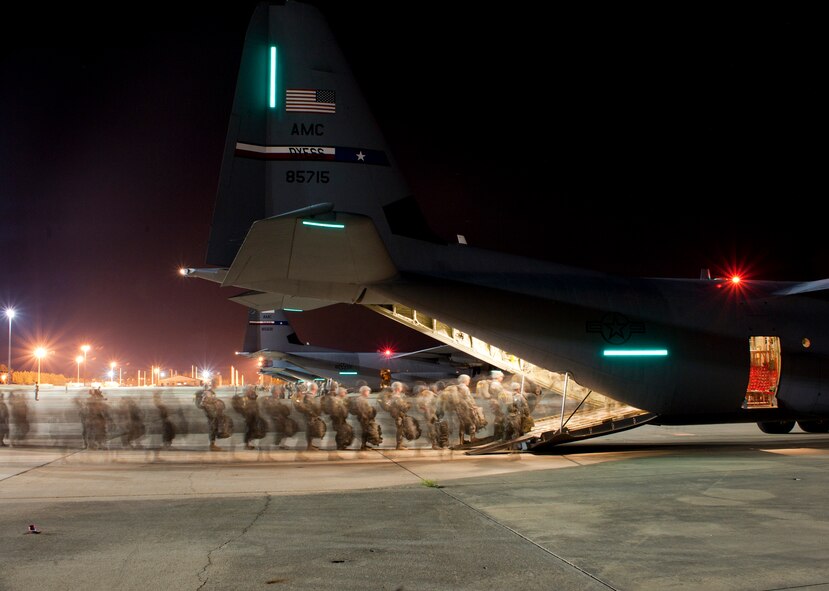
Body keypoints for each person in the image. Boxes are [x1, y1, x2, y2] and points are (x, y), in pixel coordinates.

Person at [293, 383, 325, 450]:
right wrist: (314, 413)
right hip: (309, 415)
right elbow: (309, 407)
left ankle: (310, 445)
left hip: (309, 415)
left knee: (310, 430)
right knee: (309, 430)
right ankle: (309, 446)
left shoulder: (308, 395)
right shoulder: (309, 396)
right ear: (315, 389)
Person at [350, 385, 382, 450]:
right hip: (364, 419)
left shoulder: (362, 399)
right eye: (368, 391)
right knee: (365, 432)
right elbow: (363, 411)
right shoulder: (361, 400)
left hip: (365, 418)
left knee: (365, 432)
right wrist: (367, 416)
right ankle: (363, 446)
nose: (369, 393)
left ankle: (364, 445)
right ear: (364, 391)